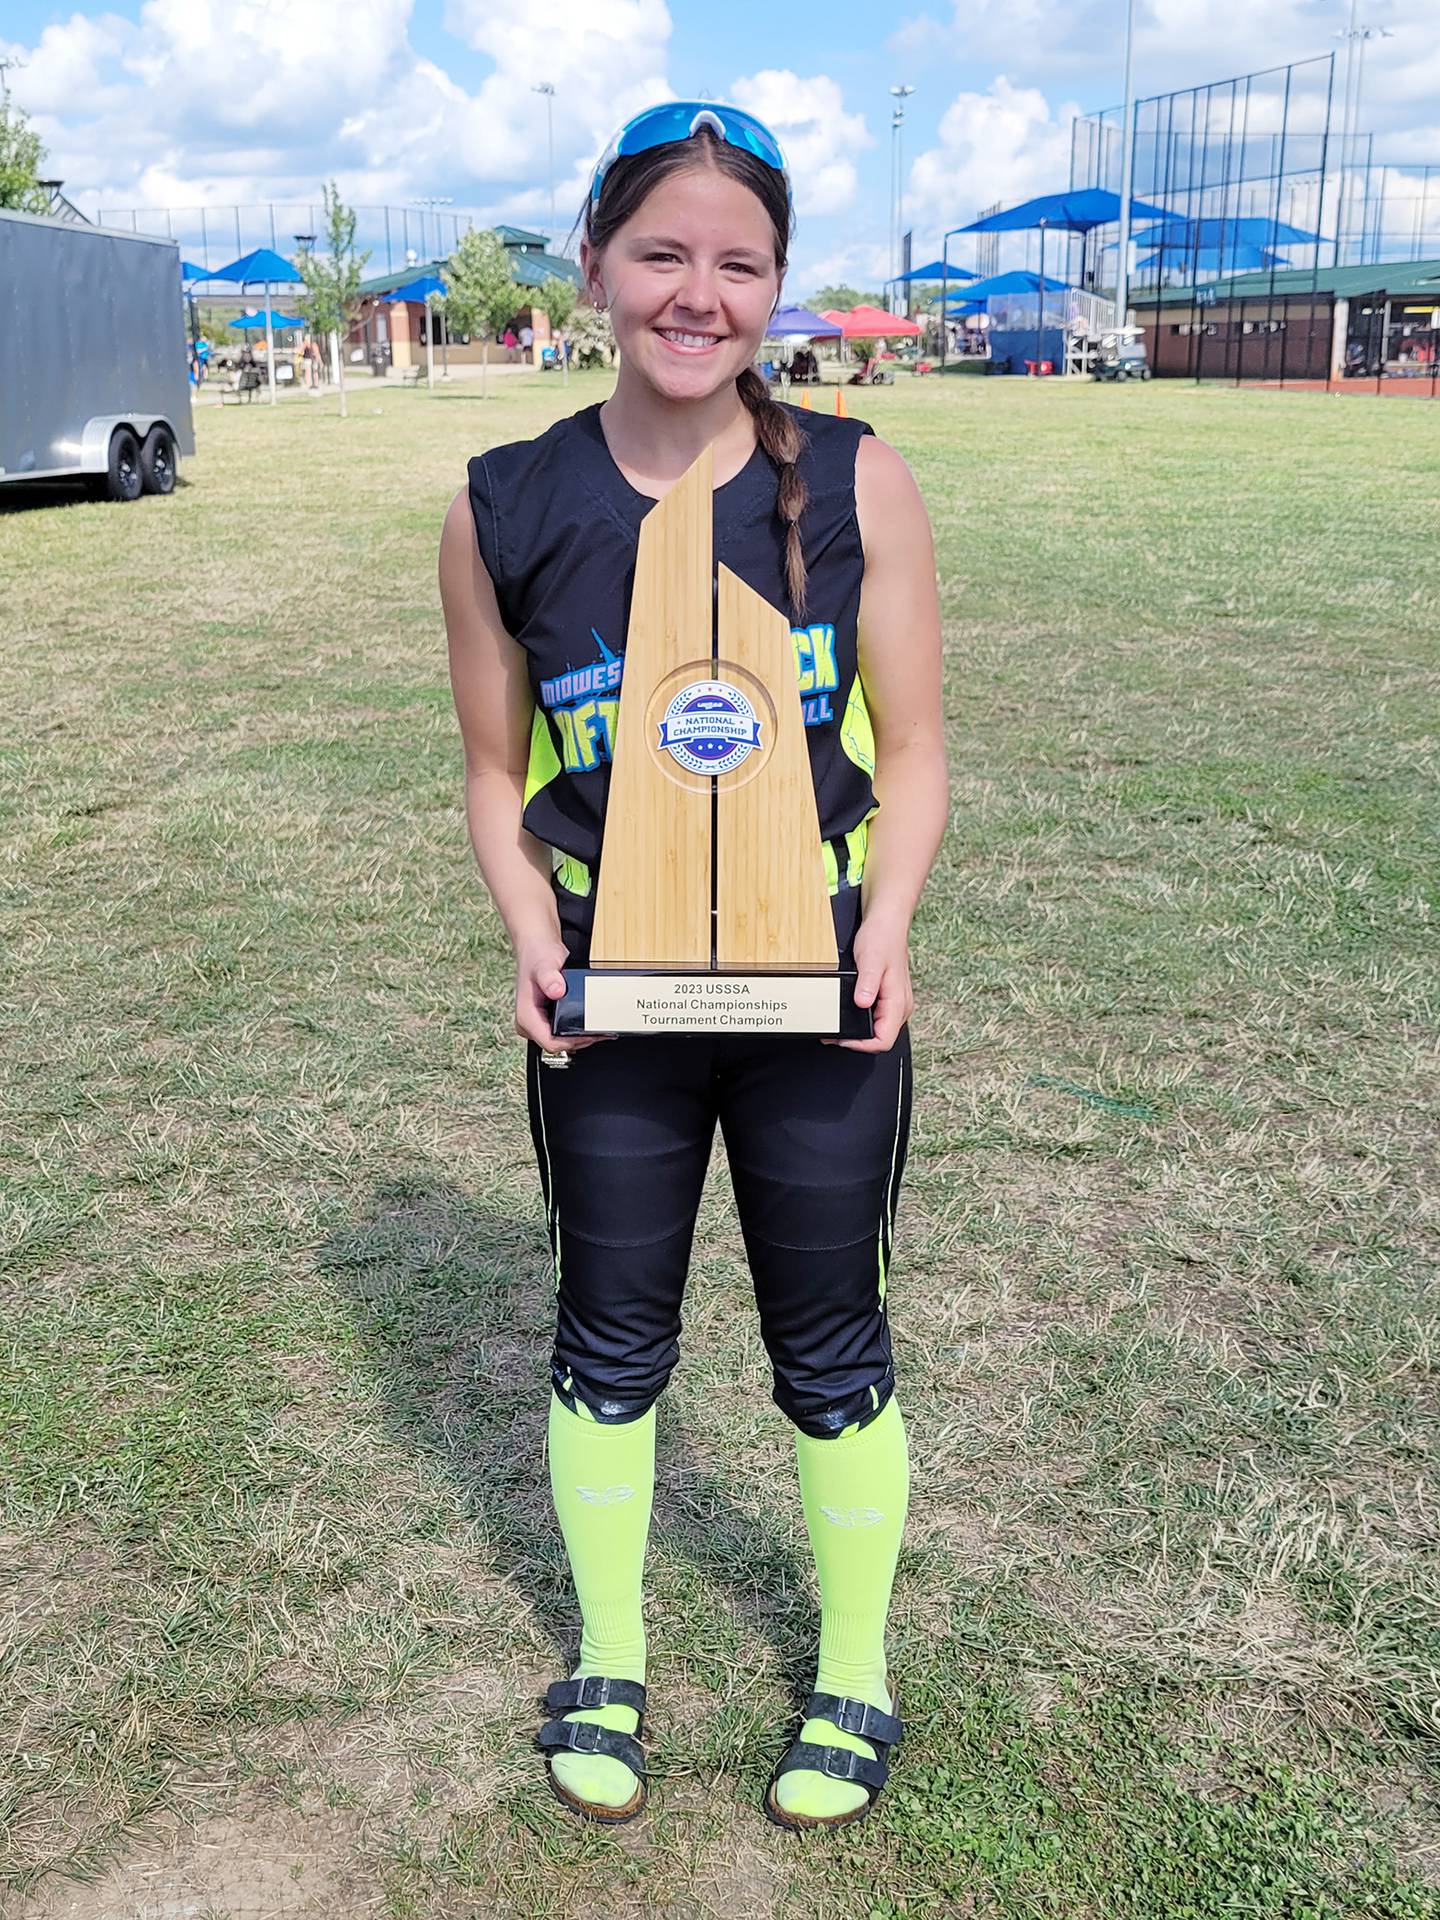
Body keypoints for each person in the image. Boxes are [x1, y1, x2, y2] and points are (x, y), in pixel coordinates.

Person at [438, 100, 946, 1834]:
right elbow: (497, 776)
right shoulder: (507, 501)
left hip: (816, 999)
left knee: (829, 1342)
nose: (697, 293)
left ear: (776, 286)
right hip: (618, 1002)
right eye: (662, 252)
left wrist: (882, 922)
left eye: (739, 262)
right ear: (593, 264)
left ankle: (857, 1666)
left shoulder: (861, 474)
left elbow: (926, 753)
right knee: (609, 1337)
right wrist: (530, 931)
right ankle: (609, 1650)